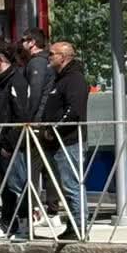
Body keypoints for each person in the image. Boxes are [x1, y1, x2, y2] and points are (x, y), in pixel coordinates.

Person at [40, 41, 89, 240]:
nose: (49, 57)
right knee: (66, 186)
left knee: (72, 185)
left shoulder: (75, 79)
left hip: (69, 141)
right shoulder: (58, 79)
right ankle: (73, 226)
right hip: (58, 142)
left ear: (64, 56)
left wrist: (55, 129)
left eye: (52, 54)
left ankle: (79, 227)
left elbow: (74, 111)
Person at [0, 38, 30, 235]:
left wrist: (8, 143)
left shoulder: (16, 80)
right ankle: (8, 223)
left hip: (10, 145)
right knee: (5, 187)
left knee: (17, 186)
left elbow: (21, 115)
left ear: (0, 57)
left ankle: (23, 225)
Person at [21, 27, 53, 121]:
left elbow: (36, 91)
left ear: (32, 42)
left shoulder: (37, 62)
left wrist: (30, 117)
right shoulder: (45, 60)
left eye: (23, 40)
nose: (21, 43)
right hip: (44, 114)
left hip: (38, 117)